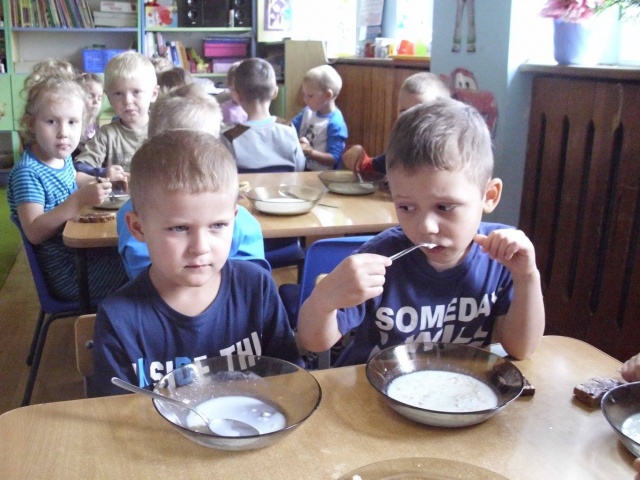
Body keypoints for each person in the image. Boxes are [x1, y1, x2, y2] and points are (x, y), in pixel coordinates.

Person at [297, 99, 545, 366]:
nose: (426, 226)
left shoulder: (502, 258)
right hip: (373, 387)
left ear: (489, 196)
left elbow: (521, 349)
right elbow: (313, 341)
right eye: (406, 207)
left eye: (444, 207)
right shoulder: (380, 257)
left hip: (456, 388)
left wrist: (527, 277)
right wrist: (325, 299)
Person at [90, 130, 301, 397]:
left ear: (234, 219)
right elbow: (116, 413)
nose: (200, 247)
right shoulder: (119, 319)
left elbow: (288, 383)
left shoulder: (256, 287)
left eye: (218, 225)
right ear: (138, 228)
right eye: (179, 228)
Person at [116, 83, 269, 279]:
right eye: (179, 228)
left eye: (205, 149)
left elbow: (251, 279)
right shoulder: (139, 212)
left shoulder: (237, 217)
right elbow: (143, 277)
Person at [7, 75, 127, 301]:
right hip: (69, 275)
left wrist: (103, 180)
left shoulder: (60, 159)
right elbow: (34, 231)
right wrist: (79, 201)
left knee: (137, 250)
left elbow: (75, 178)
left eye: (72, 122)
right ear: (31, 123)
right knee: (143, 267)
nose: (63, 132)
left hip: (81, 258)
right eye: (52, 121)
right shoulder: (28, 173)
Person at [342, 72, 451, 175]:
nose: (409, 119)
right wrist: (358, 156)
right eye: (403, 112)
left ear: (442, 116)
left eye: (419, 112)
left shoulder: (449, 158)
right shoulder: (401, 150)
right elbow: (372, 169)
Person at [74, 51, 159, 178]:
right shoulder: (106, 135)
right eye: (118, 94)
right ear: (109, 98)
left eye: (136, 92)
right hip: (118, 191)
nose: (127, 101)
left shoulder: (163, 130)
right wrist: (104, 172)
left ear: (153, 94)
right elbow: (80, 166)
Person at [221, 58, 305, 172]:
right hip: (285, 184)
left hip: (247, 184)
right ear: (275, 92)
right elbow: (300, 166)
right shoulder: (288, 128)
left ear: (237, 96)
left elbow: (227, 174)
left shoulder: (230, 137)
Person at [291, 64, 348, 171]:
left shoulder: (335, 123)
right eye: (304, 94)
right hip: (302, 169)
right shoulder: (307, 112)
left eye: (310, 96)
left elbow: (333, 158)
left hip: (321, 175)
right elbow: (290, 128)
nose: (305, 99)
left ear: (328, 95)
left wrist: (310, 152)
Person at [73, 73, 104, 153]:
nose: (96, 101)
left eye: (99, 98)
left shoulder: (94, 125)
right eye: (90, 96)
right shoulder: (73, 126)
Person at [220, 61, 248, 128]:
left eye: (244, 90)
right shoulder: (223, 108)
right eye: (235, 90)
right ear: (229, 87)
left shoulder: (252, 108)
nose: (239, 95)